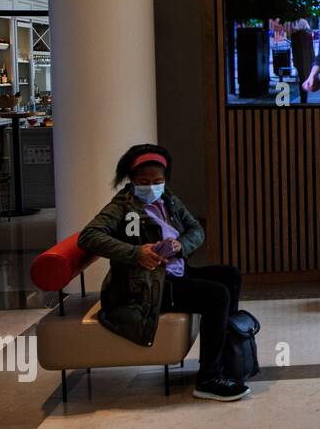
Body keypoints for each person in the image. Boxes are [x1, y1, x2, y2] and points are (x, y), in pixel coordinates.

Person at [78, 143, 250, 401]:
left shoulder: (167, 198)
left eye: (157, 180)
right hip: (146, 287)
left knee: (230, 275)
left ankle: (226, 358)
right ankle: (208, 378)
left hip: (173, 274)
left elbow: (196, 230)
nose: (151, 186)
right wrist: (136, 253)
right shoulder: (122, 207)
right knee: (217, 295)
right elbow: (89, 237)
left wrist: (181, 246)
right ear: (131, 180)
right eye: (143, 181)